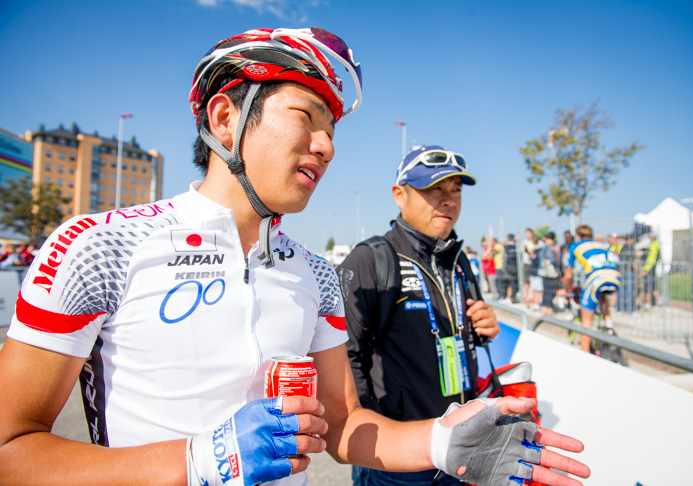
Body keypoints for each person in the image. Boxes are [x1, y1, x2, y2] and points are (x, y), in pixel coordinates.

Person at [0, 27, 589, 486]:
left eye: (332, 128)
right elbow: (11, 453)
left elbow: (344, 424)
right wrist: (200, 459)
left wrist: (439, 441)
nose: (328, 145)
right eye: (305, 117)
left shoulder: (313, 274)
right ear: (226, 118)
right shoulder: (98, 245)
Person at [339, 145, 499, 485]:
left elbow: (459, 333)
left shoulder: (459, 260)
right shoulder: (371, 259)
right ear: (400, 195)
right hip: (400, 459)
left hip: (459, 447)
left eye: (456, 190)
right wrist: (376, 437)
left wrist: (483, 327)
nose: (449, 200)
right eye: (434, 189)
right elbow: (345, 356)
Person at [559, 224, 622, 353]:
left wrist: (566, 290)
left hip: (596, 279)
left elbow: (569, 274)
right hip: (615, 277)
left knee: (586, 321)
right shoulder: (601, 244)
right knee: (603, 296)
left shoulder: (576, 246)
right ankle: (608, 323)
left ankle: (585, 354)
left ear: (578, 236)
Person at [538, 232, 561, 315]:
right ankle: (549, 308)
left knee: (546, 290)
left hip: (544, 272)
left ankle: (545, 308)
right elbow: (553, 260)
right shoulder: (549, 248)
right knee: (550, 290)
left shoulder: (542, 248)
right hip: (550, 273)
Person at [642, 231, 662, 309]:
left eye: (650, 236)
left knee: (648, 287)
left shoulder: (654, 245)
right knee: (653, 286)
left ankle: (648, 304)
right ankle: (659, 301)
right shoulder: (656, 244)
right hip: (652, 268)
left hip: (650, 268)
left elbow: (651, 258)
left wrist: (646, 269)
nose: (649, 238)